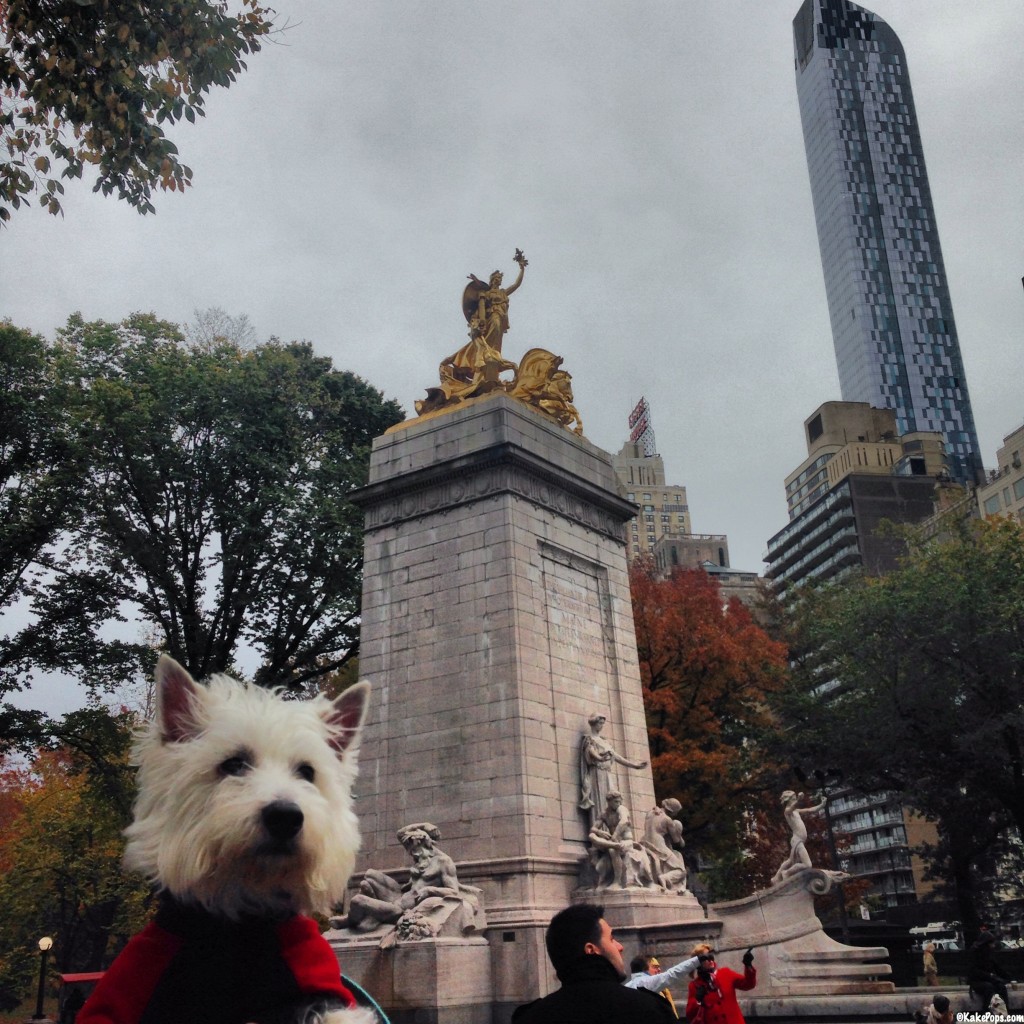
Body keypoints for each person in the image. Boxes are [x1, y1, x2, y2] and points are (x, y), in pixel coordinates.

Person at [512, 903, 676, 1023]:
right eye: (611, 939)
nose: (620, 946)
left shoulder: (531, 1017)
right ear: (591, 949)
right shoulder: (647, 1009)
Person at [578, 713, 648, 829]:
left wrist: (634, 765)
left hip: (606, 773)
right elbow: (591, 751)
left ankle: (611, 831)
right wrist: (599, 757)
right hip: (597, 773)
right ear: (594, 723)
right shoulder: (590, 739)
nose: (601, 726)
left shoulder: (604, 741)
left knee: (611, 799)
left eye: (603, 724)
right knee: (600, 799)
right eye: (600, 723)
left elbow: (616, 756)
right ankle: (599, 832)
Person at [685, 943, 756, 1024]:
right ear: (698, 964)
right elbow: (690, 1015)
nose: (710, 960)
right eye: (706, 958)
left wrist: (748, 965)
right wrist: (697, 1000)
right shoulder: (695, 985)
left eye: (711, 956)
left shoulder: (725, 973)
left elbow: (748, 984)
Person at [771, 790, 827, 884]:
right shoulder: (787, 811)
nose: (795, 800)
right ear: (788, 800)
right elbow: (793, 806)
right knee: (807, 864)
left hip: (799, 840)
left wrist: (822, 804)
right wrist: (799, 800)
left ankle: (776, 877)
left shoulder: (796, 811)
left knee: (790, 861)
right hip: (797, 840)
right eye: (793, 799)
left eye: (795, 798)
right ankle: (787, 873)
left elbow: (810, 810)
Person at [626, 952, 702, 1018]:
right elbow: (673, 973)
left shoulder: (626, 986)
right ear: (644, 969)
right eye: (654, 967)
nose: (659, 970)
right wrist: (697, 960)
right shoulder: (646, 983)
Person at [968, 924, 1011, 1012]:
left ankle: (1005, 1011)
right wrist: (989, 975)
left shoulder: (989, 953)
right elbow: (974, 971)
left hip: (988, 979)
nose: (993, 946)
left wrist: (1007, 977)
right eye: (991, 943)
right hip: (977, 981)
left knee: (1001, 987)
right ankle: (985, 1011)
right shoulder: (975, 953)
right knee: (989, 988)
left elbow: (996, 967)